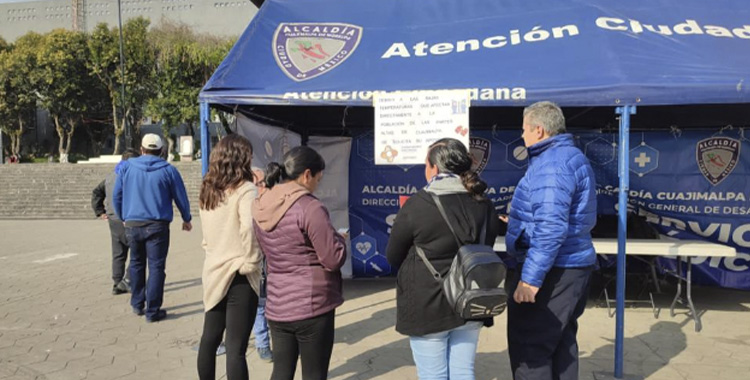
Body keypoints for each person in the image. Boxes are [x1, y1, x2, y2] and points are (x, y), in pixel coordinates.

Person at [386, 138, 502, 380]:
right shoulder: (484, 202)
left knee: (433, 375)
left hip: (428, 300)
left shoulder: (418, 204)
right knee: (463, 372)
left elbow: (393, 255)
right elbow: (485, 248)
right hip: (471, 298)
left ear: (434, 168)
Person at [504, 101, 597, 380]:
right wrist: (522, 222)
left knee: (531, 351)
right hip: (570, 266)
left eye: (524, 130)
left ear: (539, 130)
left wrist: (530, 281)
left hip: (554, 271)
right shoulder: (568, 156)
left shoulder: (552, 165)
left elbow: (552, 228)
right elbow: (554, 215)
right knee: (561, 345)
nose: (522, 136)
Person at [252, 146, 347, 380]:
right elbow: (332, 259)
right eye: (318, 178)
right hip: (311, 305)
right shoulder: (310, 207)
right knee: (314, 374)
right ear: (306, 175)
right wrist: (339, 240)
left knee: (281, 372)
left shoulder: (261, 205)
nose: (317, 184)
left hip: (277, 304)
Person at [197, 135, 263, 380]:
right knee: (236, 349)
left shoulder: (208, 188)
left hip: (213, 270)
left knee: (209, 339)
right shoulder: (246, 189)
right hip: (240, 275)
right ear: (241, 158)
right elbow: (249, 229)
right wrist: (252, 262)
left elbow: (206, 233)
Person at [113, 133, 192, 323]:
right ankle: (153, 310)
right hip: (157, 225)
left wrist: (123, 216)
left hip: (132, 223)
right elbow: (180, 195)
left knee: (136, 263)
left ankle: (137, 304)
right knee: (156, 267)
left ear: (141, 149)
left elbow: (116, 195)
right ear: (162, 151)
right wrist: (186, 218)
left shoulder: (127, 168)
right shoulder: (168, 170)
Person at [91, 148, 140, 295]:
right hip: (130, 219)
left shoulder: (110, 176)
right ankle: (128, 280)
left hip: (113, 219)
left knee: (118, 253)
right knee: (138, 251)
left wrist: (100, 211)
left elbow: (97, 192)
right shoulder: (134, 176)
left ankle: (116, 283)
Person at [250, 166, 273, 363]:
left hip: (269, 261)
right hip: (252, 262)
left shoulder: (270, 202)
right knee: (260, 303)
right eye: (259, 183)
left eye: (264, 182)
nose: (263, 186)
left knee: (268, 300)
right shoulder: (245, 204)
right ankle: (262, 342)